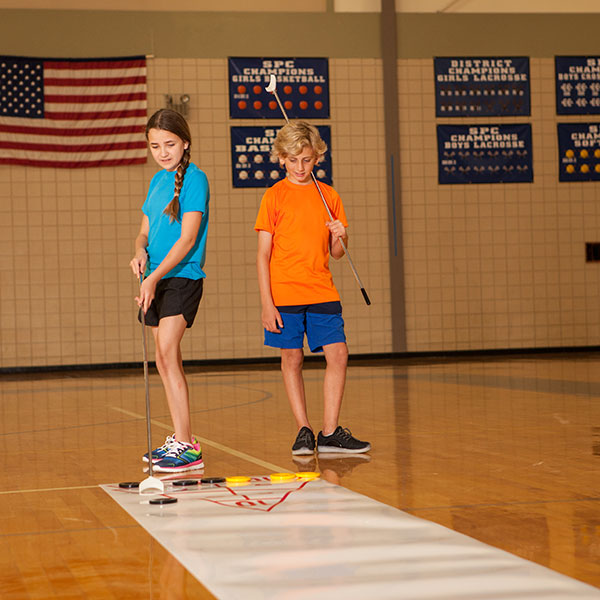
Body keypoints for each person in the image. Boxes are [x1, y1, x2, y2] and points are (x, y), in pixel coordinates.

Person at [255, 120, 370, 456]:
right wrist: (267, 303)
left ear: (316, 157)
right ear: (281, 159)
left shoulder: (329, 196)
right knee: (292, 358)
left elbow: (336, 254)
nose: (299, 167)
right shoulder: (273, 196)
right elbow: (263, 255)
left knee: (339, 354)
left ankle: (331, 431)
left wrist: (341, 235)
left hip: (322, 289)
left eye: (305, 159)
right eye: (292, 160)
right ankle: (303, 429)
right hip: (285, 293)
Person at [129, 108, 209, 472]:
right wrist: (139, 252)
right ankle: (180, 440)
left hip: (181, 277)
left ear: (185, 142)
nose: (162, 152)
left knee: (166, 349)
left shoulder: (196, 179)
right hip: (157, 277)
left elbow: (189, 237)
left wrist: (155, 276)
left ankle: (188, 446)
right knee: (164, 360)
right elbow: (143, 230)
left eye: (170, 144)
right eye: (155, 146)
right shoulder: (156, 182)